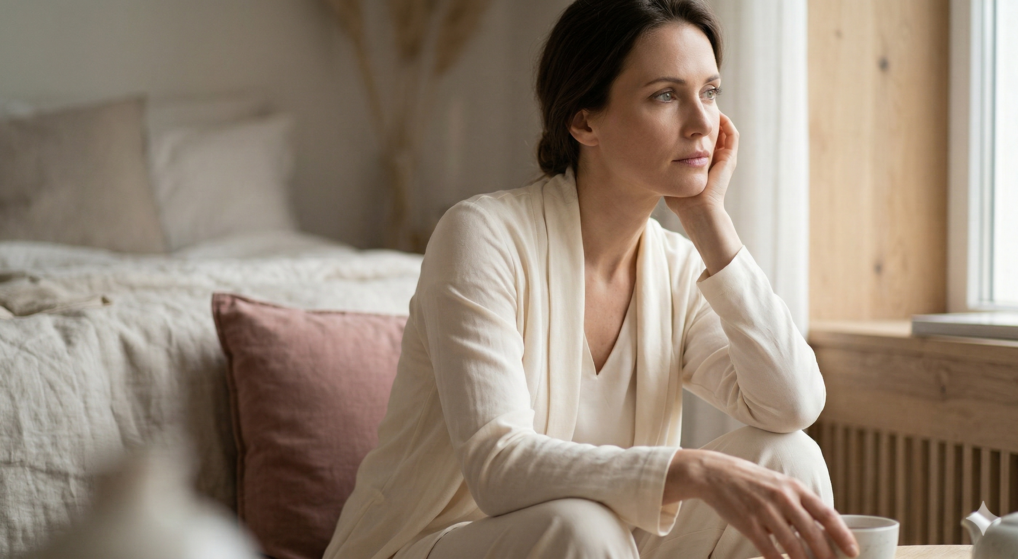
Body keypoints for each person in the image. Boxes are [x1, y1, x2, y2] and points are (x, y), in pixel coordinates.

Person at [323, 1, 861, 558]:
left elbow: (792, 405)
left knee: (789, 460)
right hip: (427, 546)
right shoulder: (481, 236)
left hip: (603, 547)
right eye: (665, 95)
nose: (703, 123)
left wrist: (710, 222)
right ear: (584, 121)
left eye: (709, 92)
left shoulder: (676, 266)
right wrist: (693, 469)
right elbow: (498, 467)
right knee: (583, 527)